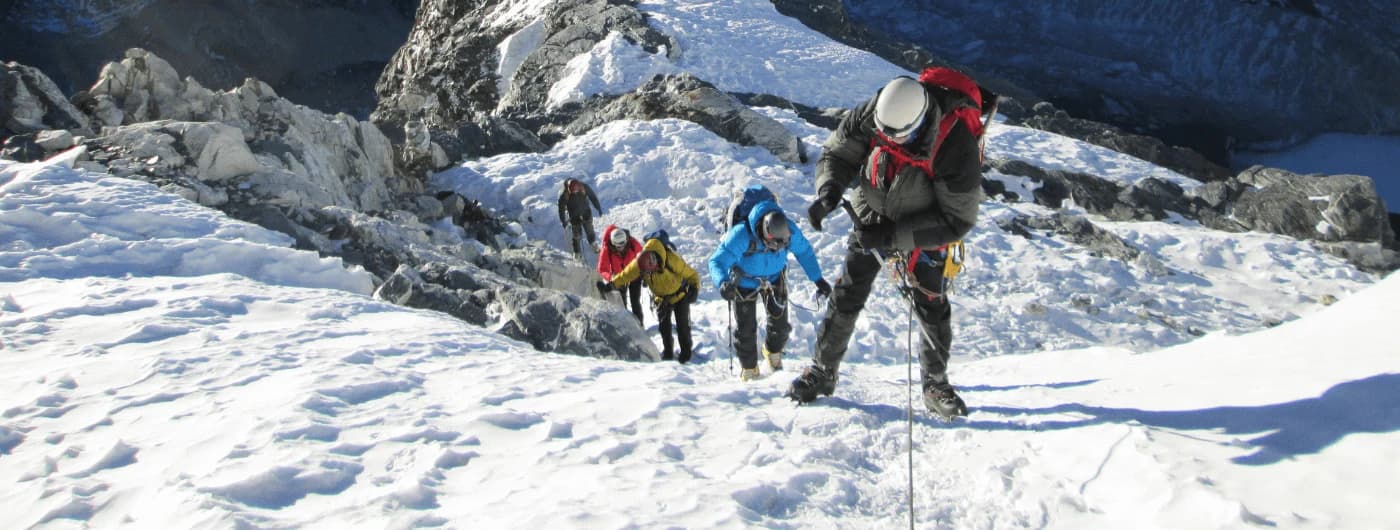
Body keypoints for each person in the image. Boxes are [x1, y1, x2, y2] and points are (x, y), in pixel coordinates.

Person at [791, 73, 985, 419]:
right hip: (872, 213)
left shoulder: (956, 146)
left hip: (924, 229)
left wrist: (892, 237)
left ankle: (935, 383)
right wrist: (829, 190)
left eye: (900, 136)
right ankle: (822, 371)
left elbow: (957, 221)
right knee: (847, 292)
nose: (890, 141)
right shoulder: (876, 112)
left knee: (930, 301)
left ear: (920, 119)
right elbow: (840, 151)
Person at [710, 200, 831, 381]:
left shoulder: (788, 230)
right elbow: (717, 261)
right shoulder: (742, 234)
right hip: (744, 281)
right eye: (773, 243)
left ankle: (773, 351)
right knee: (745, 329)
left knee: (780, 325)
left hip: (775, 277)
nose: (777, 247)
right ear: (764, 231)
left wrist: (818, 278)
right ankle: (749, 368)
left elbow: (804, 251)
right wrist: (722, 282)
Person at [597, 236, 701, 363]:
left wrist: (695, 289)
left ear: (656, 262)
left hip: (680, 295)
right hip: (661, 298)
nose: (650, 274)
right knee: (664, 328)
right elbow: (626, 275)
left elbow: (692, 274)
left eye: (652, 270)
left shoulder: (671, 260)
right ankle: (668, 353)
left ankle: (685, 354)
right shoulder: (640, 264)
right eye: (648, 273)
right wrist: (611, 285)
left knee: (682, 326)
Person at [597, 224, 644, 326]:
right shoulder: (607, 248)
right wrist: (611, 277)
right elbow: (602, 268)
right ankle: (627, 326)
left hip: (634, 274)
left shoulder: (631, 242)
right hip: (619, 277)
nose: (622, 247)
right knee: (622, 303)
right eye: (619, 246)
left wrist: (644, 273)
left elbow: (642, 255)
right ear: (613, 243)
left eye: (623, 244)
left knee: (635, 301)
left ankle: (640, 326)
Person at [558, 178, 604, 259]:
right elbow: (561, 209)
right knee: (576, 235)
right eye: (573, 191)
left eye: (576, 191)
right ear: (569, 189)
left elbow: (593, 197)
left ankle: (593, 243)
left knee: (589, 230)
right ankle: (577, 252)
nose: (575, 192)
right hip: (573, 216)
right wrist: (563, 221)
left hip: (586, 213)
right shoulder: (564, 194)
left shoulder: (584, 187)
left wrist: (598, 208)